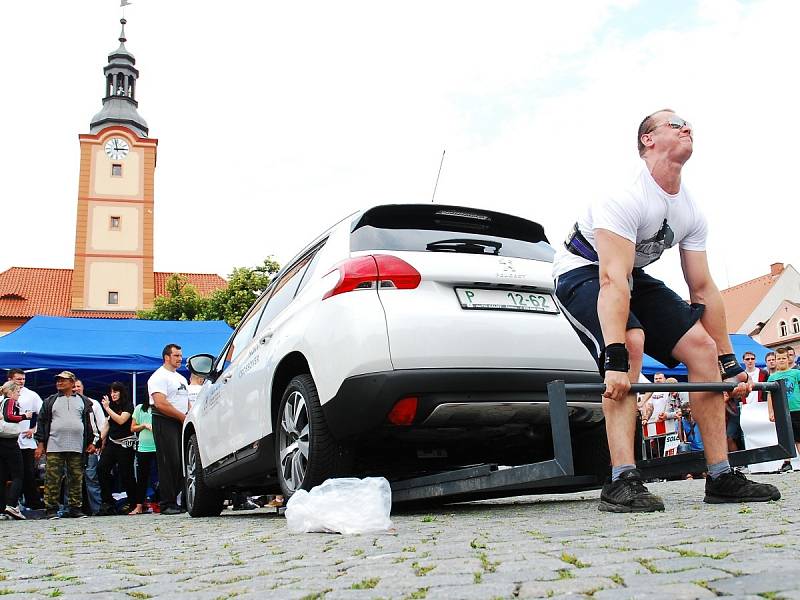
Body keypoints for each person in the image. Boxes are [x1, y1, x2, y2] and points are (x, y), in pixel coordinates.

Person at [552, 108, 780, 512]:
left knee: (703, 350)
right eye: (675, 124)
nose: (687, 126)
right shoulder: (623, 194)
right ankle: (621, 480)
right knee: (631, 341)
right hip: (583, 272)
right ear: (648, 140)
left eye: (688, 122)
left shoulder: (690, 209)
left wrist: (729, 360)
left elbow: (703, 287)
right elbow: (611, 280)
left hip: (630, 276)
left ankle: (721, 475)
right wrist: (616, 357)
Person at [35, 371, 99, 519]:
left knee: (76, 478)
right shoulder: (50, 401)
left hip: (77, 446)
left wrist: (92, 442)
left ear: (72, 382)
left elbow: (91, 424)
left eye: (63, 380)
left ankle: (75, 508)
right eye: (58, 380)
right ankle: (51, 509)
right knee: (52, 478)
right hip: (54, 445)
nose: (59, 383)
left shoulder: (84, 401)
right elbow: (41, 422)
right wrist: (40, 444)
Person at [147, 343, 189, 515]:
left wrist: (189, 416)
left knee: (180, 463)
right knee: (168, 462)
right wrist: (181, 416)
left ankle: (179, 499)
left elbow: (186, 401)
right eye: (176, 356)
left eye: (180, 356)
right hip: (164, 421)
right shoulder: (158, 377)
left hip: (181, 421)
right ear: (167, 357)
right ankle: (166, 503)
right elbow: (160, 403)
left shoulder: (181, 378)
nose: (180, 359)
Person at [97, 382, 136, 516]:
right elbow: (107, 424)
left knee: (126, 474)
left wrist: (107, 408)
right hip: (112, 442)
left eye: (115, 392)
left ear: (121, 392)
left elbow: (121, 420)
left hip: (126, 443)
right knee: (102, 468)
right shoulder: (111, 406)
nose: (113, 395)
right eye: (111, 392)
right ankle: (107, 501)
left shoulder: (128, 405)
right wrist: (99, 440)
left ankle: (133, 502)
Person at [7, 369, 44, 511]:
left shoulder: (31, 395)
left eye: (23, 379)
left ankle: (32, 502)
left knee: (27, 473)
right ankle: (9, 503)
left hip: (25, 440)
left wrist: (34, 429)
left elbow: (43, 414)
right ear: (10, 379)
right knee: (7, 473)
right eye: (18, 379)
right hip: (7, 439)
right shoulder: (3, 393)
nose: (21, 382)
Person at [74, 379, 106, 515]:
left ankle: (97, 509)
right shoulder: (64, 404)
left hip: (89, 447)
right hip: (71, 447)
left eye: (78, 386)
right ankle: (70, 509)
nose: (76, 389)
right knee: (70, 480)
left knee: (91, 478)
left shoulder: (93, 404)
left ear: (83, 387)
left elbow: (101, 425)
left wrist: (96, 443)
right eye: (73, 386)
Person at [1, 381, 32, 520]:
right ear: (12, 392)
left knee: (2, 475)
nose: (19, 394)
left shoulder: (2, 401)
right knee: (18, 474)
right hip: (10, 441)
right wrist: (25, 416)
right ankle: (12, 505)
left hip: (1, 441)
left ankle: (2, 508)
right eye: (18, 391)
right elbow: (9, 416)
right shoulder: (10, 401)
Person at [766, 347, 800, 469]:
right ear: (775, 360)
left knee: (798, 437)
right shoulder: (772, 377)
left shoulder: (796, 373)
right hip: (781, 410)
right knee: (785, 437)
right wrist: (771, 411)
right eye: (778, 358)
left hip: (796, 408)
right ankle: (787, 462)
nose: (781, 360)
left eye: (783, 358)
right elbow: (769, 395)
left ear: (788, 359)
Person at [129, 396, 157, 514]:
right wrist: (144, 425)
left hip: (159, 446)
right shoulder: (140, 408)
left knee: (162, 476)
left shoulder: (160, 407)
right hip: (144, 447)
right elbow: (133, 428)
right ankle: (139, 505)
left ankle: (162, 503)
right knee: (142, 478)